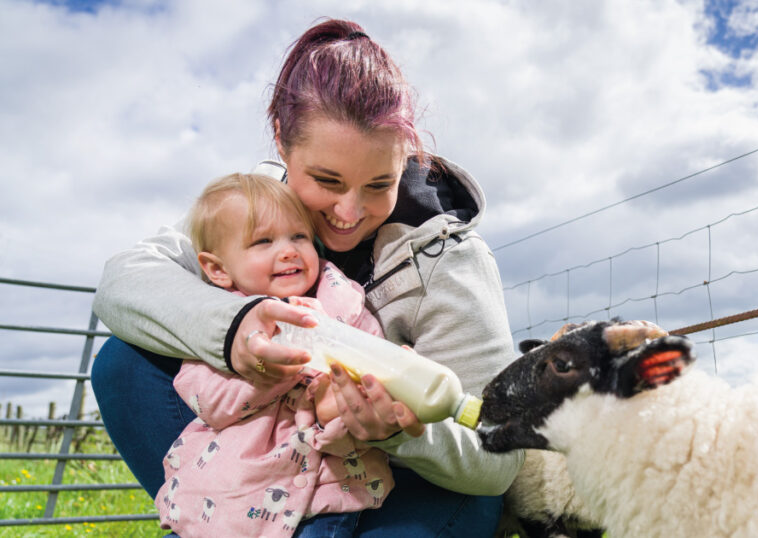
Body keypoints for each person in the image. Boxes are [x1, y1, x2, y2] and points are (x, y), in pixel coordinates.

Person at [90, 18, 524, 538]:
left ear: (404, 157)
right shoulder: (251, 211)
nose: (349, 210)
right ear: (281, 142)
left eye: (378, 184)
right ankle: (220, 519)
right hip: (268, 465)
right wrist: (236, 327)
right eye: (326, 180)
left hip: (407, 486)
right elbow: (122, 280)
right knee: (123, 362)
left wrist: (402, 434)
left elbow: (497, 459)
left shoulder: (448, 260)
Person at [156, 172, 392, 537]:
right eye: (263, 241)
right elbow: (209, 400)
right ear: (218, 269)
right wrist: (279, 368)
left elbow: (371, 388)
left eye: (299, 236)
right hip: (228, 496)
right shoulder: (223, 321)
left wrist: (339, 404)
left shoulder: (345, 308)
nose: (288, 250)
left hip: (325, 493)